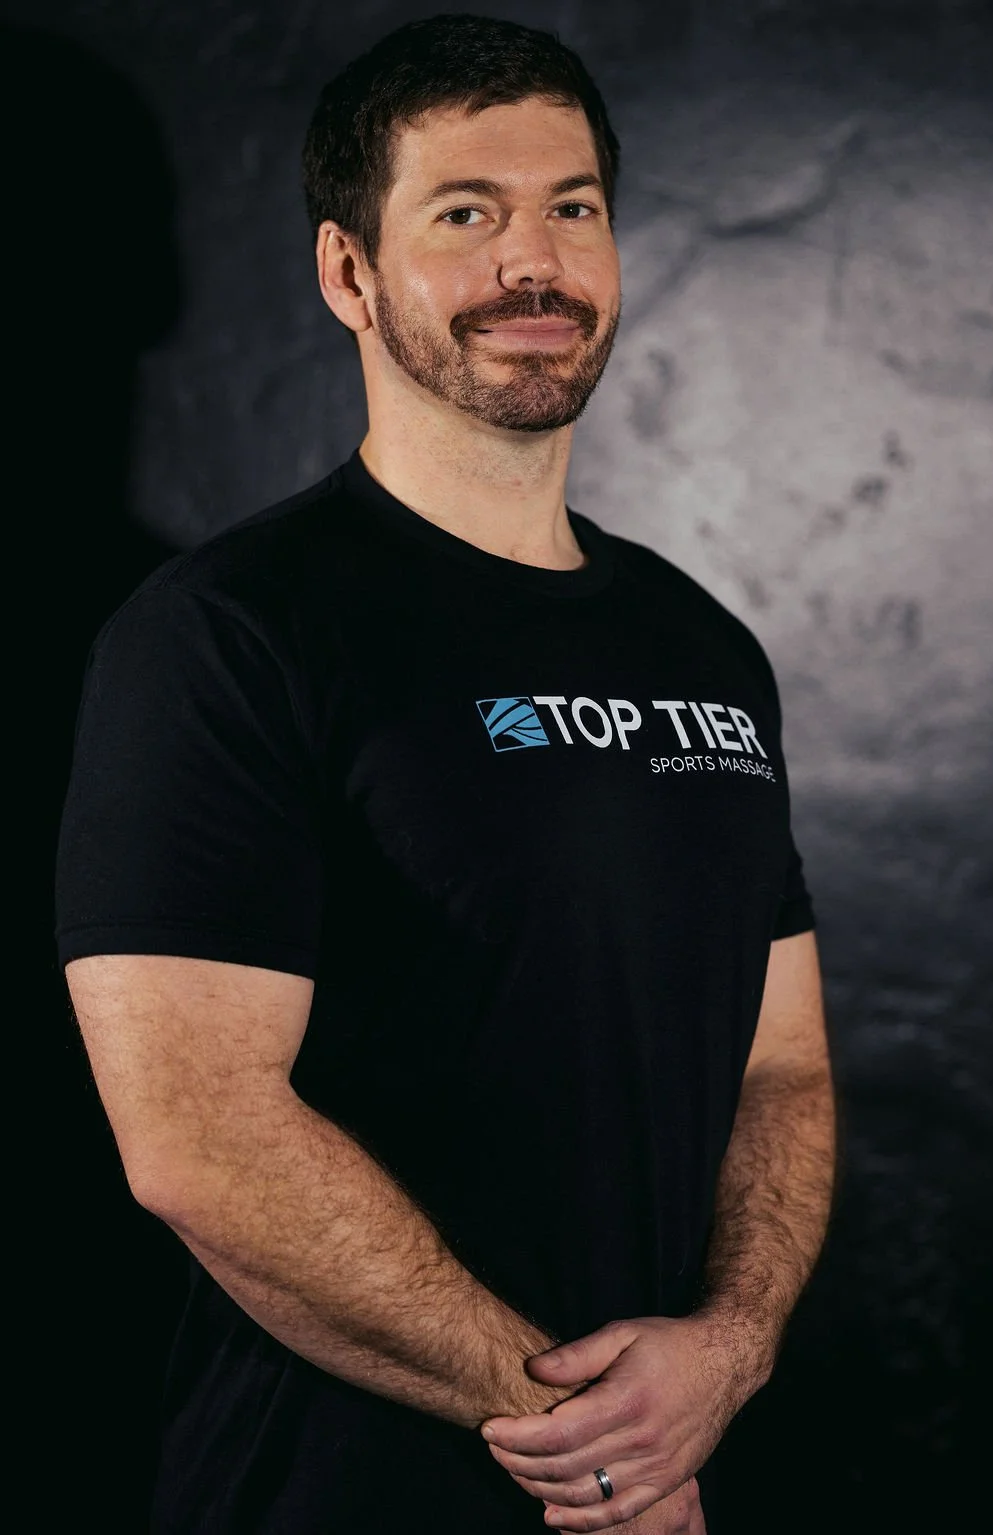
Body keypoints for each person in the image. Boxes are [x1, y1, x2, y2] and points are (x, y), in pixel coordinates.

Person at [55, 14, 836, 1534]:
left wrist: (732, 1348)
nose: (534, 264)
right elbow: (200, 1141)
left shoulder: (707, 647)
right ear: (348, 273)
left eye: (573, 207)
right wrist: (597, 1444)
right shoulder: (226, 634)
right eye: (467, 213)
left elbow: (783, 1064)